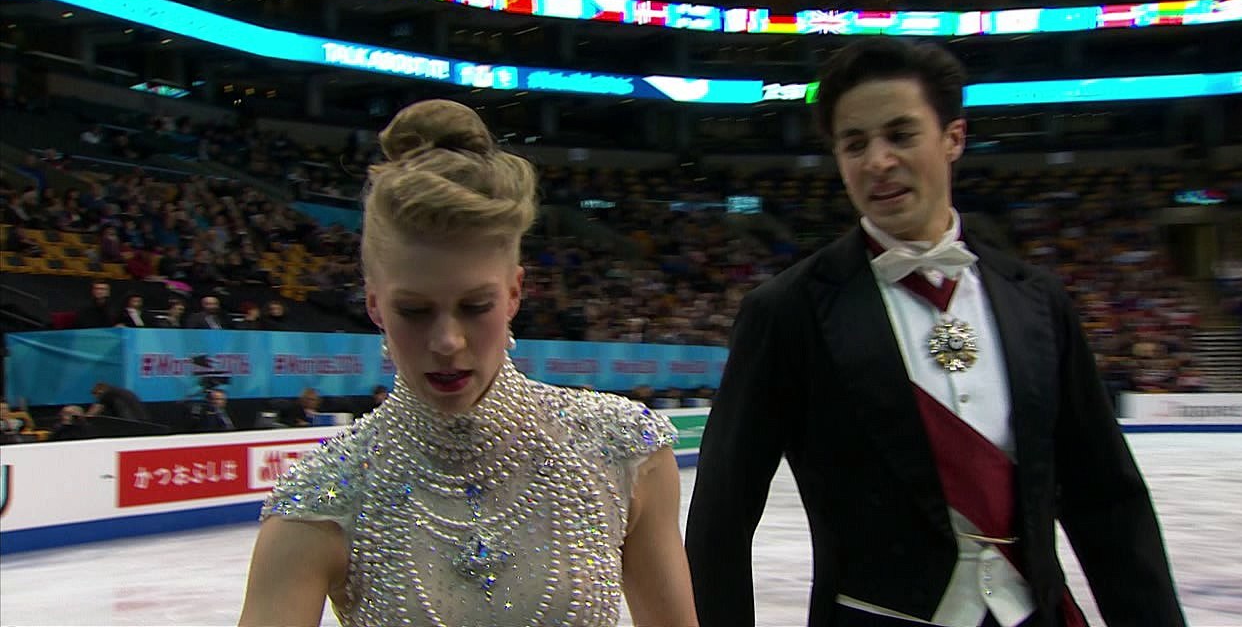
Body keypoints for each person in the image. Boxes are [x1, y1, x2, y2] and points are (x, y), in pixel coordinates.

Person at [685, 37, 1184, 627]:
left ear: (954, 139)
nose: (877, 161)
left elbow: (1107, 502)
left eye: (900, 135)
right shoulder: (786, 313)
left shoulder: (1039, 301)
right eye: (855, 143)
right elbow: (721, 517)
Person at [240, 99, 697, 627]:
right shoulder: (319, 502)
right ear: (374, 305)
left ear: (513, 293)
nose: (448, 342)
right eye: (414, 311)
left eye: (475, 307)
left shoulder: (625, 454)